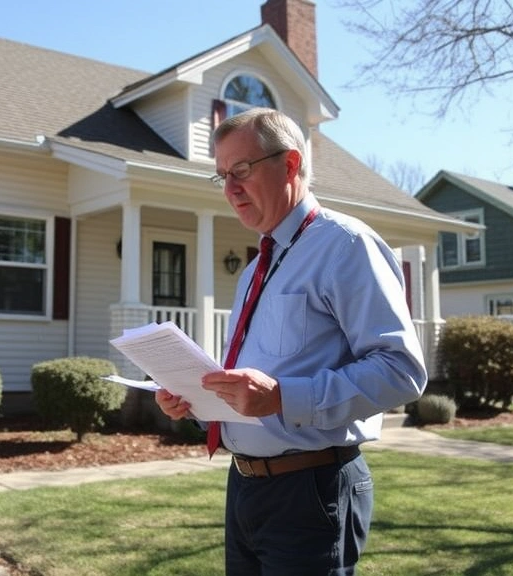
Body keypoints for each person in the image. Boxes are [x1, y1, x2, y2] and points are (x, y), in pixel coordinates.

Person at [154, 107, 427, 575]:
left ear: (292, 164)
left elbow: (400, 370)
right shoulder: (255, 269)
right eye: (221, 176)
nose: (230, 188)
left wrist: (283, 397)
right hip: (244, 487)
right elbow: (259, 381)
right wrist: (199, 403)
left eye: (241, 170)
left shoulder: (345, 245)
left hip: (311, 491)